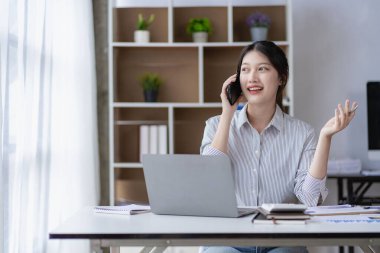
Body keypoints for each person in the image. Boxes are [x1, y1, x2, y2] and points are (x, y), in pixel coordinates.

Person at [200, 41, 357, 253]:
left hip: (282, 239)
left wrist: (325, 137)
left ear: (281, 78)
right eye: (245, 70)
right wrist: (228, 113)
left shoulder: (303, 134)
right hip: (227, 239)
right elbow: (208, 182)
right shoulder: (215, 126)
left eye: (262, 69)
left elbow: (309, 199)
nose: (252, 77)